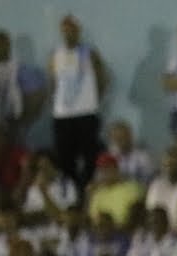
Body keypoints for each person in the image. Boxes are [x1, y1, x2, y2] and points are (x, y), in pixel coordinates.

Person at [48, 14, 109, 187]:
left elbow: (102, 79)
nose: (68, 33)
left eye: (72, 30)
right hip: (63, 115)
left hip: (86, 113)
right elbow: (53, 83)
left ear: (78, 31)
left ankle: (87, 188)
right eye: (65, 30)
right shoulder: (56, 54)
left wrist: (92, 101)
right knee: (65, 157)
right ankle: (71, 192)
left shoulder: (89, 52)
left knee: (90, 155)